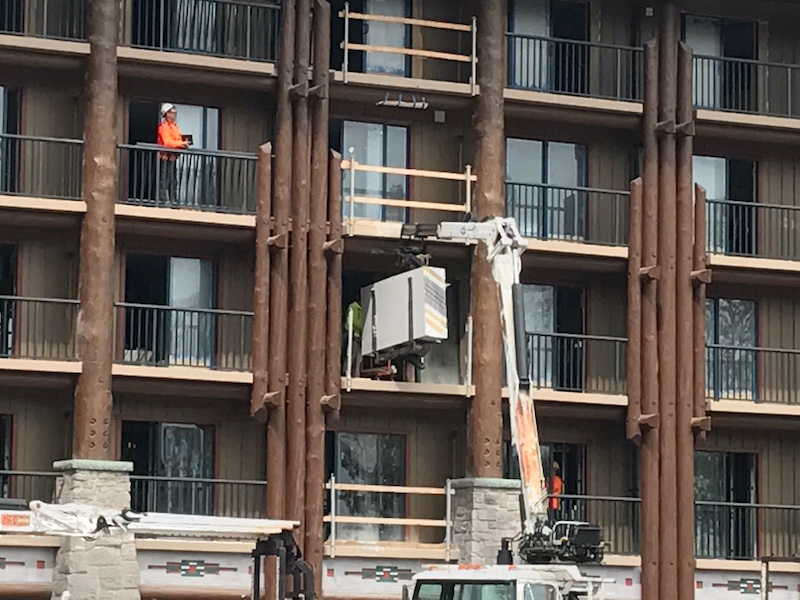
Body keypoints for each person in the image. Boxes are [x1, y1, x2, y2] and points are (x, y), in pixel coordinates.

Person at [156, 103, 189, 205]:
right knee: (164, 180)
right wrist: (182, 144)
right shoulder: (163, 127)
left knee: (173, 181)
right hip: (165, 157)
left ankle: (174, 200)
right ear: (166, 114)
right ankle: (162, 201)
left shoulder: (175, 127)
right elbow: (167, 142)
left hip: (173, 157)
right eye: (172, 113)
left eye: (175, 113)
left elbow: (177, 139)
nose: (174, 115)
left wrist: (182, 144)